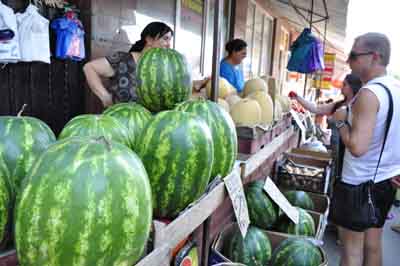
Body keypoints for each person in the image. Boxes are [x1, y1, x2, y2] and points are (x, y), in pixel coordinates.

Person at [330, 32, 400, 266]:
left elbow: (358, 147)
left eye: (353, 55)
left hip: (358, 183)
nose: (349, 61)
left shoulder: (369, 94)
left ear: (374, 57)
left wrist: (340, 121)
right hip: (385, 180)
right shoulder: (396, 89)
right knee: (373, 246)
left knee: (351, 252)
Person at [289, 74, 363, 181]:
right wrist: (298, 97)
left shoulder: (357, 108)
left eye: (345, 85)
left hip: (346, 155)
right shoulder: (339, 105)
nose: (342, 87)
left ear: (352, 87)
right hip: (333, 152)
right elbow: (316, 108)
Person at [83, 22, 173, 107]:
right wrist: (105, 97)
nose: (169, 45)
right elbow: (89, 68)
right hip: (119, 120)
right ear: (149, 39)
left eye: (170, 40)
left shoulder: (163, 69)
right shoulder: (123, 60)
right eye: (165, 39)